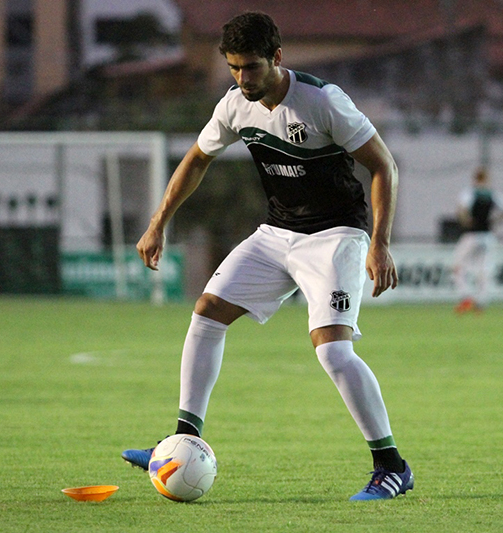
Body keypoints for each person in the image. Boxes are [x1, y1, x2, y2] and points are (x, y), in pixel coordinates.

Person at [122, 12, 413, 501]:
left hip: (336, 235)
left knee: (334, 352)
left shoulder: (323, 101)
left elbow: (383, 165)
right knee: (208, 312)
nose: (242, 78)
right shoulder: (235, 105)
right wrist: (157, 223)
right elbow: (196, 160)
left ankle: (391, 467)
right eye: (234, 68)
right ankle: (183, 438)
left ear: (277, 58)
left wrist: (379, 242)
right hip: (278, 231)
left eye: (251, 67)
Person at [452, 167, 503, 313]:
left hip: (471, 235)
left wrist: (466, 220)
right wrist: (495, 221)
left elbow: (461, 209)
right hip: (488, 236)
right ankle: (481, 302)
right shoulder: (493, 194)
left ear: (474, 179)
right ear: (487, 179)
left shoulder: (470, 193)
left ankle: (466, 297)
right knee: (484, 269)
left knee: (458, 266)